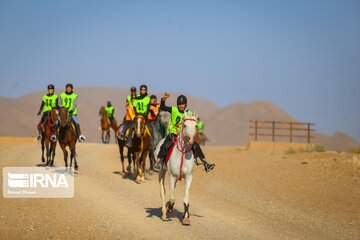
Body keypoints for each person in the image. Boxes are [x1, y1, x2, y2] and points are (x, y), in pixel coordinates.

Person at [153, 93, 215, 173]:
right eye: (180, 104)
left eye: (183, 104)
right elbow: (162, 107)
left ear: (186, 105)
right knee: (165, 144)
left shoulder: (189, 113)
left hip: (184, 136)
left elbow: (193, 121)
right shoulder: (173, 109)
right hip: (173, 133)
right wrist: (163, 99)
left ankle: (205, 163)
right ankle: (158, 162)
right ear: (177, 105)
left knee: (196, 145)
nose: (181, 106)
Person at [147, 95, 160, 170]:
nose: (154, 100)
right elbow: (152, 115)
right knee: (152, 144)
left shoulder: (158, 105)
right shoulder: (149, 106)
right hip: (150, 123)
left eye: (155, 99)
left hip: (157, 123)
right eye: (152, 99)